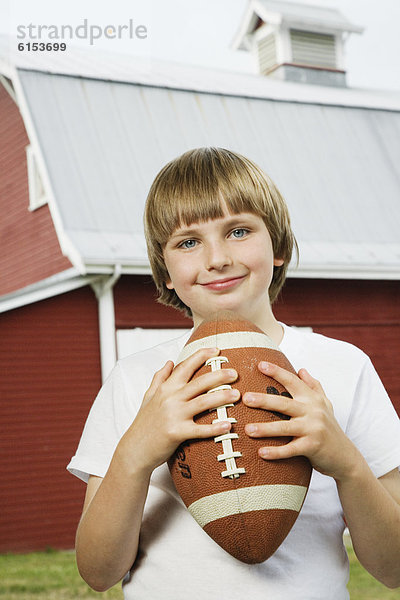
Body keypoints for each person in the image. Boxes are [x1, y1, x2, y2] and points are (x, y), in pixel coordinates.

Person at [68, 147, 400, 599]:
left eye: (239, 230)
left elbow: (394, 570)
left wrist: (347, 465)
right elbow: (98, 572)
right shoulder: (137, 380)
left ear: (278, 245)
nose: (217, 258)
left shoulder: (344, 367)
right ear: (165, 269)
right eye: (188, 241)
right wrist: (135, 455)